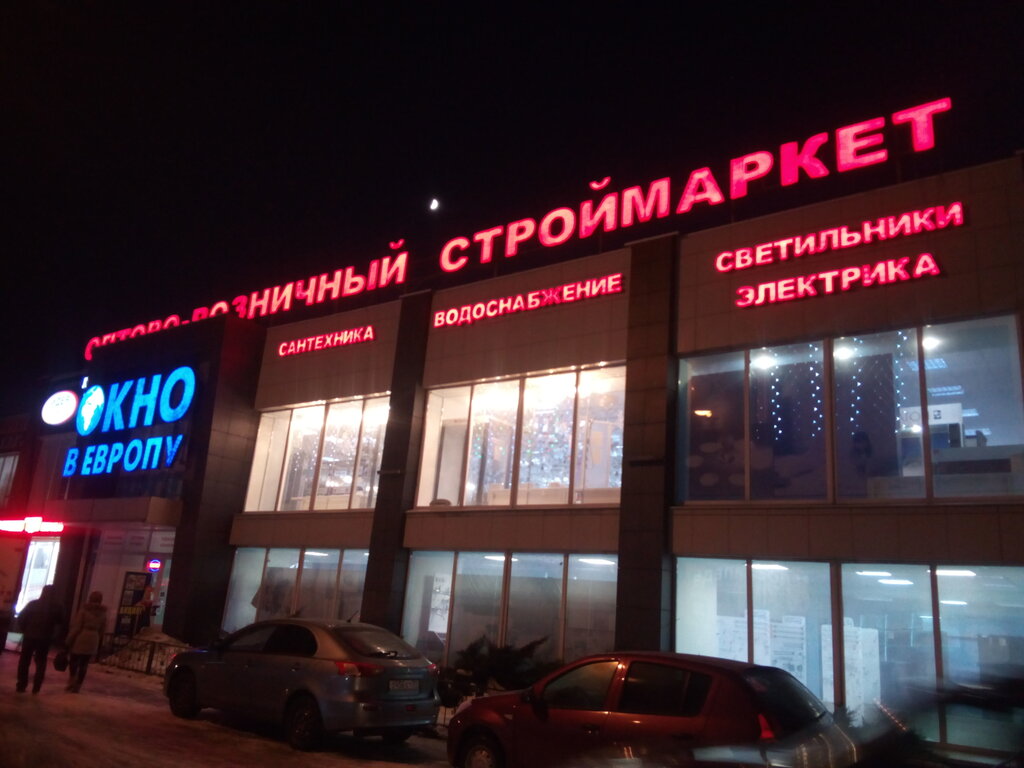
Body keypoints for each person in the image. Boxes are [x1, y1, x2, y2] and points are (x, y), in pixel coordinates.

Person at [15, 584, 64, 694]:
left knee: (24, 661)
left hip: (29, 636)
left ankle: (21, 685)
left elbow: (21, 618)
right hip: (45, 638)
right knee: (41, 661)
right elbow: (60, 623)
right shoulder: (57, 608)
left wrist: (25, 629)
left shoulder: (33, 604)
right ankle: (36, 687)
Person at [64, 591, 107, 693]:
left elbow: (77, 627)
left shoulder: (84, 611)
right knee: (84, 664)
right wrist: (97, 638)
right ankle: (78, 686)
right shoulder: (103, 614)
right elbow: (102, 629)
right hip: (93, 638)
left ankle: (71, 682)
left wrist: (69, 639)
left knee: (74, 661)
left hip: (81, 637)